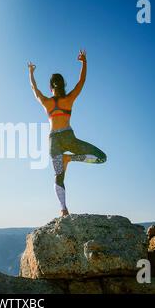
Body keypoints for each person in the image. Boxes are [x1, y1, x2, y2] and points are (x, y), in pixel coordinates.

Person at [28, 50, 107, 217]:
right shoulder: (69, 99)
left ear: (50, 87)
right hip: (68, 138)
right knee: (101, 157)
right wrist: (84, 62)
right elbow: (81, 81)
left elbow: (34, 89)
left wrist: (31, 73)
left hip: (54, 140)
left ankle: (63, 208)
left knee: (58, 176)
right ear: (63, 85)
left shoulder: (46, 102)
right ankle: (70, 158)